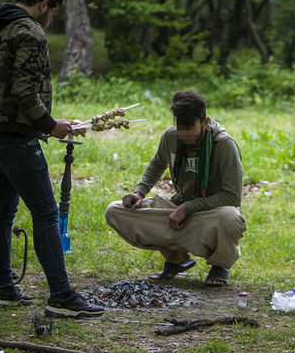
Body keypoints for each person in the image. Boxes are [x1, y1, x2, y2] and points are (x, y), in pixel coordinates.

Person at [0, 0, 103, 318]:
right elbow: (24, 91)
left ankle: (3, 288)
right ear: (43, 4)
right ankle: (62, 296)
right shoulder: (30, 32)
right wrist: (51, 125)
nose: (51, 19)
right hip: (13, 137)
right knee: (46, 212)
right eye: (52, 11)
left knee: (2, 210)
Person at [105, 91, 246, 286]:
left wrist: (188, 208)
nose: (185, 133)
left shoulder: (224, 145)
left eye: (190, 127)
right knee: (115, 211)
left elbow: (232, 198)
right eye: (181, 127)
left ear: (204, 122)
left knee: (230, 218)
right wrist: (139, 193)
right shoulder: (171, 137)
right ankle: (177, 258)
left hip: (210, 215)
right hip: (176, 211)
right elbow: (157, 165)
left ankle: (220, 266)